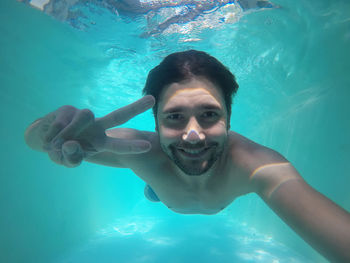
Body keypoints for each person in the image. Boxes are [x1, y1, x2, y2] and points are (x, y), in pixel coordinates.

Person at [25, 50, 350, 262]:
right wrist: (52, 131)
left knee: (160, 185)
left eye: (209, 114)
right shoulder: (138, 151)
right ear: (155, 124)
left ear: (229, 120)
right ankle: (153, 189)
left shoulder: (255, 165)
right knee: (154, 189)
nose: (193, 135)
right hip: (160, 182)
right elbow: (36, 140)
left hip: (170, 186)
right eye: (174, 117)